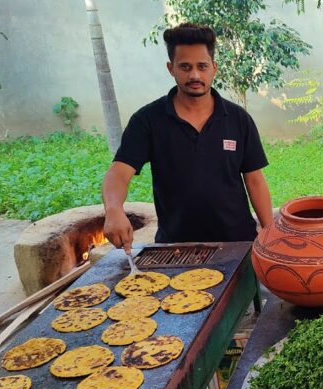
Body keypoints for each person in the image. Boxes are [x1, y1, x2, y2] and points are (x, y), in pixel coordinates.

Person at [102, 23, 273, 248]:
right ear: (170, 68)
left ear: (214, 67)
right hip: (176, 248)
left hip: (237, 243)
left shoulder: (237, 119)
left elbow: (255, 180)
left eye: (202, 66)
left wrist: (271, 233)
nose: (194, 75)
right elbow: (119, 172)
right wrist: (113, 209)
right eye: (185, 67)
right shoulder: (148, 120)